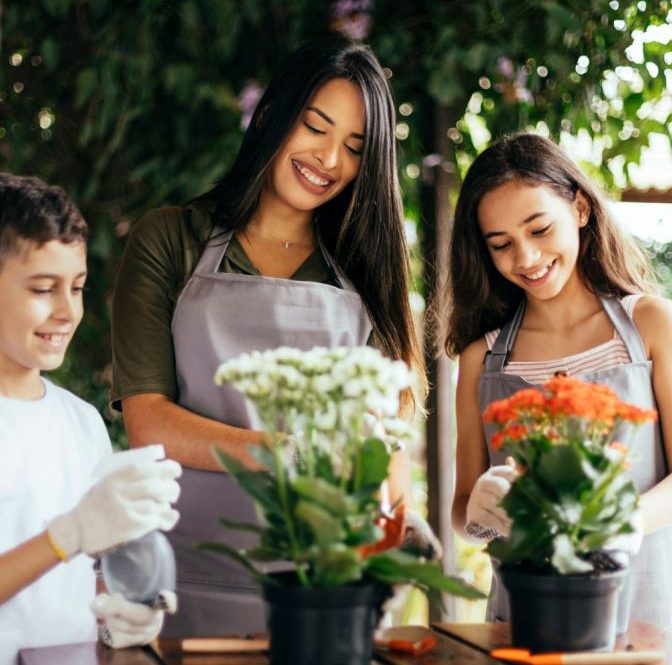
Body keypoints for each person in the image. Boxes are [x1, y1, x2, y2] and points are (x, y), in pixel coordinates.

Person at [111, 37, 425, 636]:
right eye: (316, 127)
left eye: (354, 148)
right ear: (276, 115)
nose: (329, 159)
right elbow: (148, 420)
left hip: (321, 585)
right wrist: (291, 454)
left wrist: (393, 537)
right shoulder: (170, 239)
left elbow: (382, 446)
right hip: (182, 578)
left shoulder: (363, 274)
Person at [444, 132, 672, 630]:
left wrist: (621, 523)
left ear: (582, 210)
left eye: (540, 229)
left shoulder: (651, 326)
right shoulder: (482, 359)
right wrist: (480, 513)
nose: (525, 258)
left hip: (644, 613)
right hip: (523, 618)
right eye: (501, 245)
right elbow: (466, 516)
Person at [0, 173, 182, 665]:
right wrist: (67, 535)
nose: (66, 311)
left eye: (76, 288)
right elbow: (72, 538)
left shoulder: (82, 423)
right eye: (43, 288)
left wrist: (125, 612)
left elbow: (93, 571)